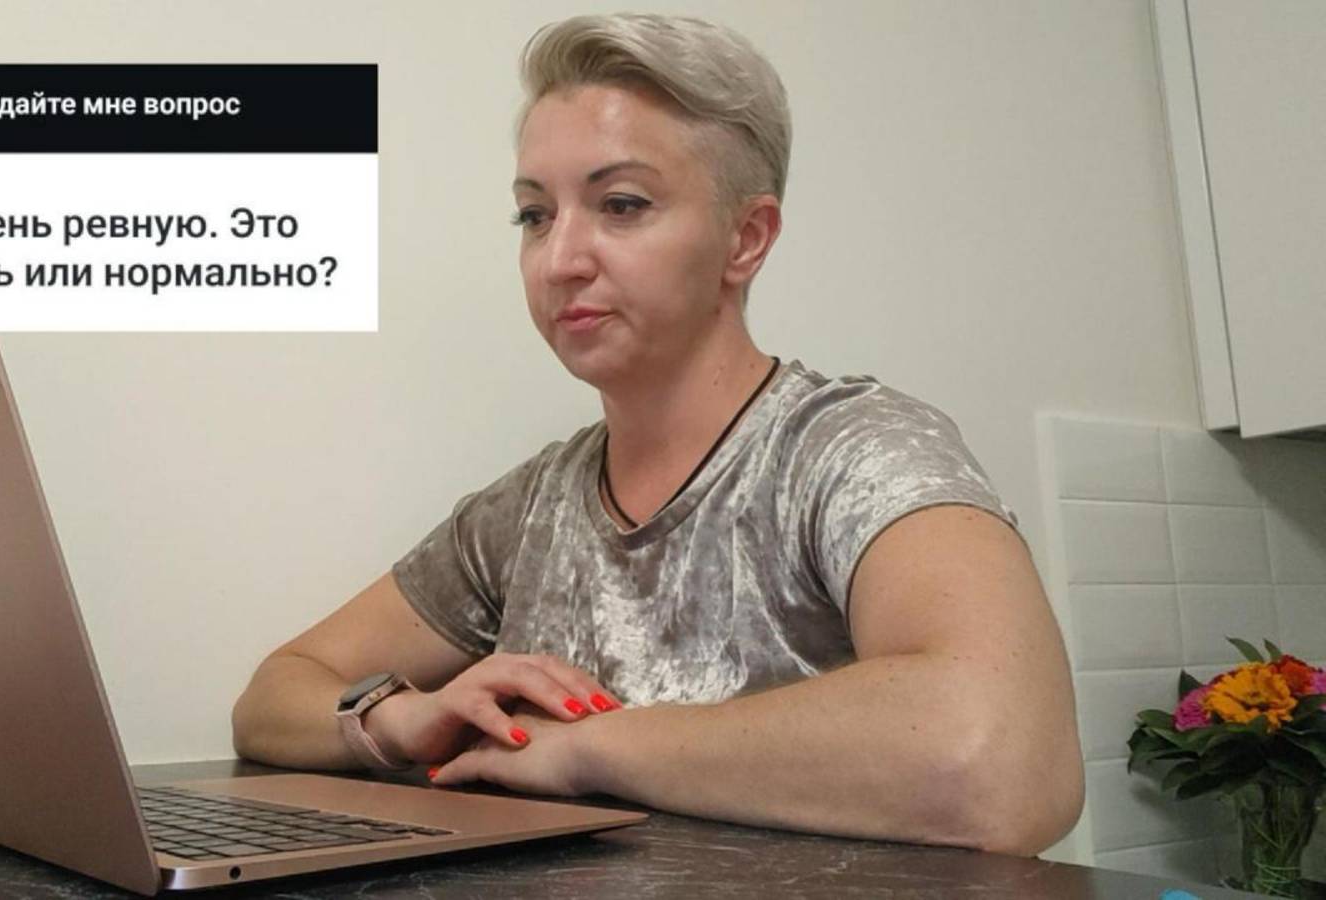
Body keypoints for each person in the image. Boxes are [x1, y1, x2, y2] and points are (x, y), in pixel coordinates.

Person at [232, 12, 1083, 857]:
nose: (560, 259)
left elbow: (1006, 763)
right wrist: (401, 718)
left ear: (745, 239)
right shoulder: (523, 513)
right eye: (534, 215)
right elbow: (275, 695)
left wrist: (591, 749)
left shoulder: (854, 452)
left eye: (622, 205)